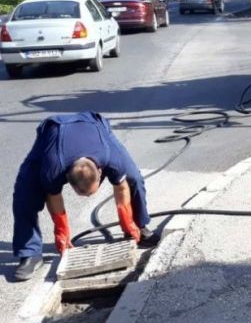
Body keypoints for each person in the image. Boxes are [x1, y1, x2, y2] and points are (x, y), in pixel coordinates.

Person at [12, 112, 160, 281]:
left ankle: (138, 227)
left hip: (93, 125)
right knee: (24, 195)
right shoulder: (53, 169)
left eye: (91, 192)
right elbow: (53, 196)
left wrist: (128, 223)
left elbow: (122, 188)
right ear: (66, 178)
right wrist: (62, 233)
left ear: (100, 171)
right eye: (84, 193)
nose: (89, 196)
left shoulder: (111, 158)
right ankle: (29, 253)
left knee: (134, 178)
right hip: (53, 133)